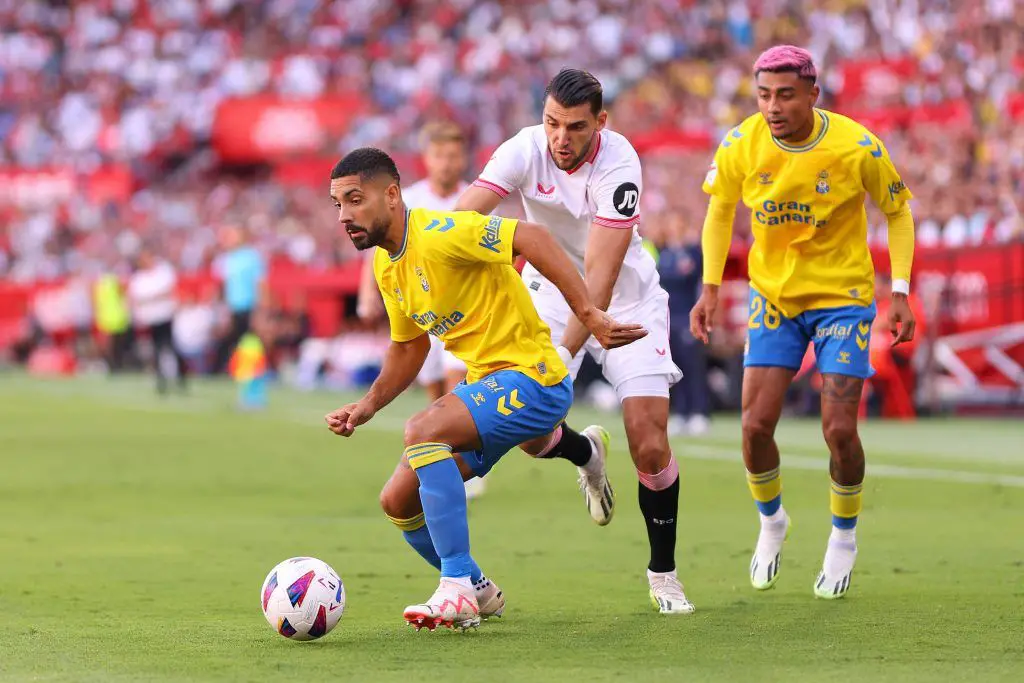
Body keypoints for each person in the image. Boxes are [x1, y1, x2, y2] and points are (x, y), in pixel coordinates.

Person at [324, 148, 645, 630]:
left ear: (391, 195)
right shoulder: (387, 267)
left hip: (534, 377)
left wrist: (587, 313)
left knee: (422, 430)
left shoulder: (439, 232)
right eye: (338, 205)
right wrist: (367, 405)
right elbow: (409, 348)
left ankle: (454, 589)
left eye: (355, 200)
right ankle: (478, 587)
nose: (345, 215)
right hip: (489, 387)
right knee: (397, 500)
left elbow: (530, 236)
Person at [456, 68, 694, 614]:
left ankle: (664, 575)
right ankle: (585, 452)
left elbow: (601, 282)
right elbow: (463, 218)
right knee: (531, 438)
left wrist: (561, 358)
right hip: (546, 292)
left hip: (622, 299)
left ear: (600, 124)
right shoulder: (523, 149)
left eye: (575, 127)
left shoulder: (620, 163)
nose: (560, 138)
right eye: (552, 123)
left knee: (649, 441)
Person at [689, 45, 917, 600]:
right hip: (776, 301)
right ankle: (773, 523)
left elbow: (898, 210)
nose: (772, 106)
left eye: (786, 94)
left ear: (814, 94)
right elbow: (720, 210)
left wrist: (902, 291)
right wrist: (711, 287)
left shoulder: (855, 146)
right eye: (764, 94)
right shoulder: (742, 142)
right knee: (753, 428)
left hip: (843, 298)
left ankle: (843, 536)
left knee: (839, 429)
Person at [355, 121, 486, 500]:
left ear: (463, 158)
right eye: (440, 155)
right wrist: (368, 296)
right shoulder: (406, 200)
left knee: (457, 381)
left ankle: (468, 462)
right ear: (427, 159)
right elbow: (378, 251)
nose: (447, 163)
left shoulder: (475, 197)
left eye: (454, 155)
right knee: (434, 392)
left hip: (465, 309)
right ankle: (446, 453)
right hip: (420, 311)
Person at [657, 213, 712, 436]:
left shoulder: (693, 253)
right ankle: (680, 412)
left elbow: (694, 277)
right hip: (668, 318)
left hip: (689, 317)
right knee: (674, 368)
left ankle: (700, 412)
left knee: (694, 367)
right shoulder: (664, 253)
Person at [128, 245, 188, 394]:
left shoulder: (163, 271)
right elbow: (136, 299)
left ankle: (181, 378)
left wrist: (151, 298)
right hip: (151, 319)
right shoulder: (138, 278)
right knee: (157, 349)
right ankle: (162, 381)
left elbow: (168, 291)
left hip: (165, 315)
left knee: (171, 346)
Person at [212, 226, 266, 373]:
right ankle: (225, 370)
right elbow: (221, 285)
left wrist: (260, 308)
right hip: (231, 307)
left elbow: (260, 283)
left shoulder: (251, 257)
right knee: (231, 340)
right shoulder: (225, 258)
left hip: (248, 305)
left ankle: (248, 371)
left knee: (247, 340)